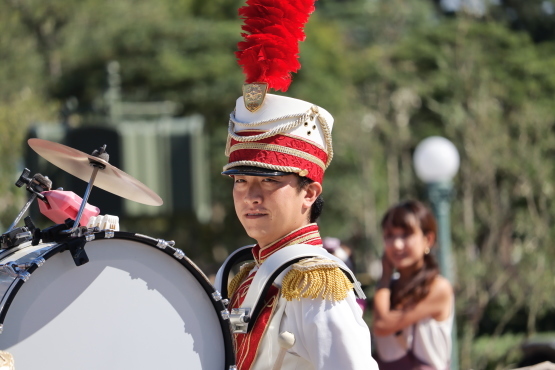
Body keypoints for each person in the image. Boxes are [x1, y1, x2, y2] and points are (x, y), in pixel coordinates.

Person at [372, 200, 454, 369]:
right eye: (390, 235)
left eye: (405, 235)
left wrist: (385, 276)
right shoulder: (388, 287)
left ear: (428, 239)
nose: (397, 244)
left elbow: (382, 325)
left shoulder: (438, 288)